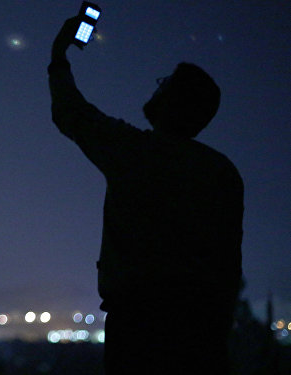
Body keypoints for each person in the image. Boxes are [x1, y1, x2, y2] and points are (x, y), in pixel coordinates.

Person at [48, 17, 243, 375]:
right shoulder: (222, 172)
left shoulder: (135, 152)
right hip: (201, 334)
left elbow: (71, 113)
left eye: (165, 84)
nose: (157, 87)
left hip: (138, 328)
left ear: (173, 102)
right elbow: (230, 266)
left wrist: (59, 55)